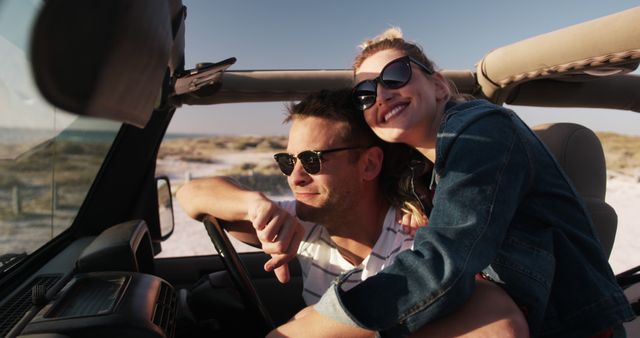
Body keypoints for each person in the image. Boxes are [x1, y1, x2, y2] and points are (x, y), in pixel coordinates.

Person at [261, 28, 635, 337]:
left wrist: (317, 325)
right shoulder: (419, 171)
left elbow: (445, 263)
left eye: (396, 75)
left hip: (569, 327)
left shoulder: (481, 129)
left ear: (439, 85)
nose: (382, 93)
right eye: (365, 93)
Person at [176, 89, 529, 337]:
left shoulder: (420, 238)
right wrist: (254, 204)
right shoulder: (303, 225)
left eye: (312, 161)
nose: (296, 176)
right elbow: (191, 194)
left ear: (369, 164)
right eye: (288, 161)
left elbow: (497, 323)